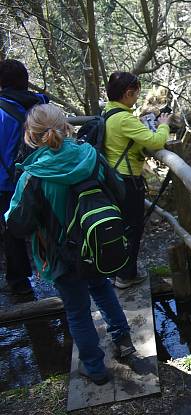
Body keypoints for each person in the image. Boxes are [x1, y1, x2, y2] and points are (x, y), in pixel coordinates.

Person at [5, 104, 135, 385]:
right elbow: (120, 192)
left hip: (61, 256)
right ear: (67, 127)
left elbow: (18, 224)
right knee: (102, 288)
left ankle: (95, 369)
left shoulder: (33, 175)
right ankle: (124, 342)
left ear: (30, 135)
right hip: (97, 246)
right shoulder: (91, 156)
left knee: (77, 311)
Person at [103, 72, 170, 289]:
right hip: (128, 180)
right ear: (128, 93)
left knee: (121, 227)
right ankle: (126, 276)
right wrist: (163, 124)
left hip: (112, 178)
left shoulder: (108, 112)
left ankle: (117, 272)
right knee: (133, 228)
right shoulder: (124, 119)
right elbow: (156, 141)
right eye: (136, 94)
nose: (137, 98)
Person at [0, 59, 48, 296]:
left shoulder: (1, 112)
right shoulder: (39, 106)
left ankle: (20, 284)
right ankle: (60, 272)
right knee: (49, 223)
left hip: (8, 182)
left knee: (13, 231)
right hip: (42, 175)